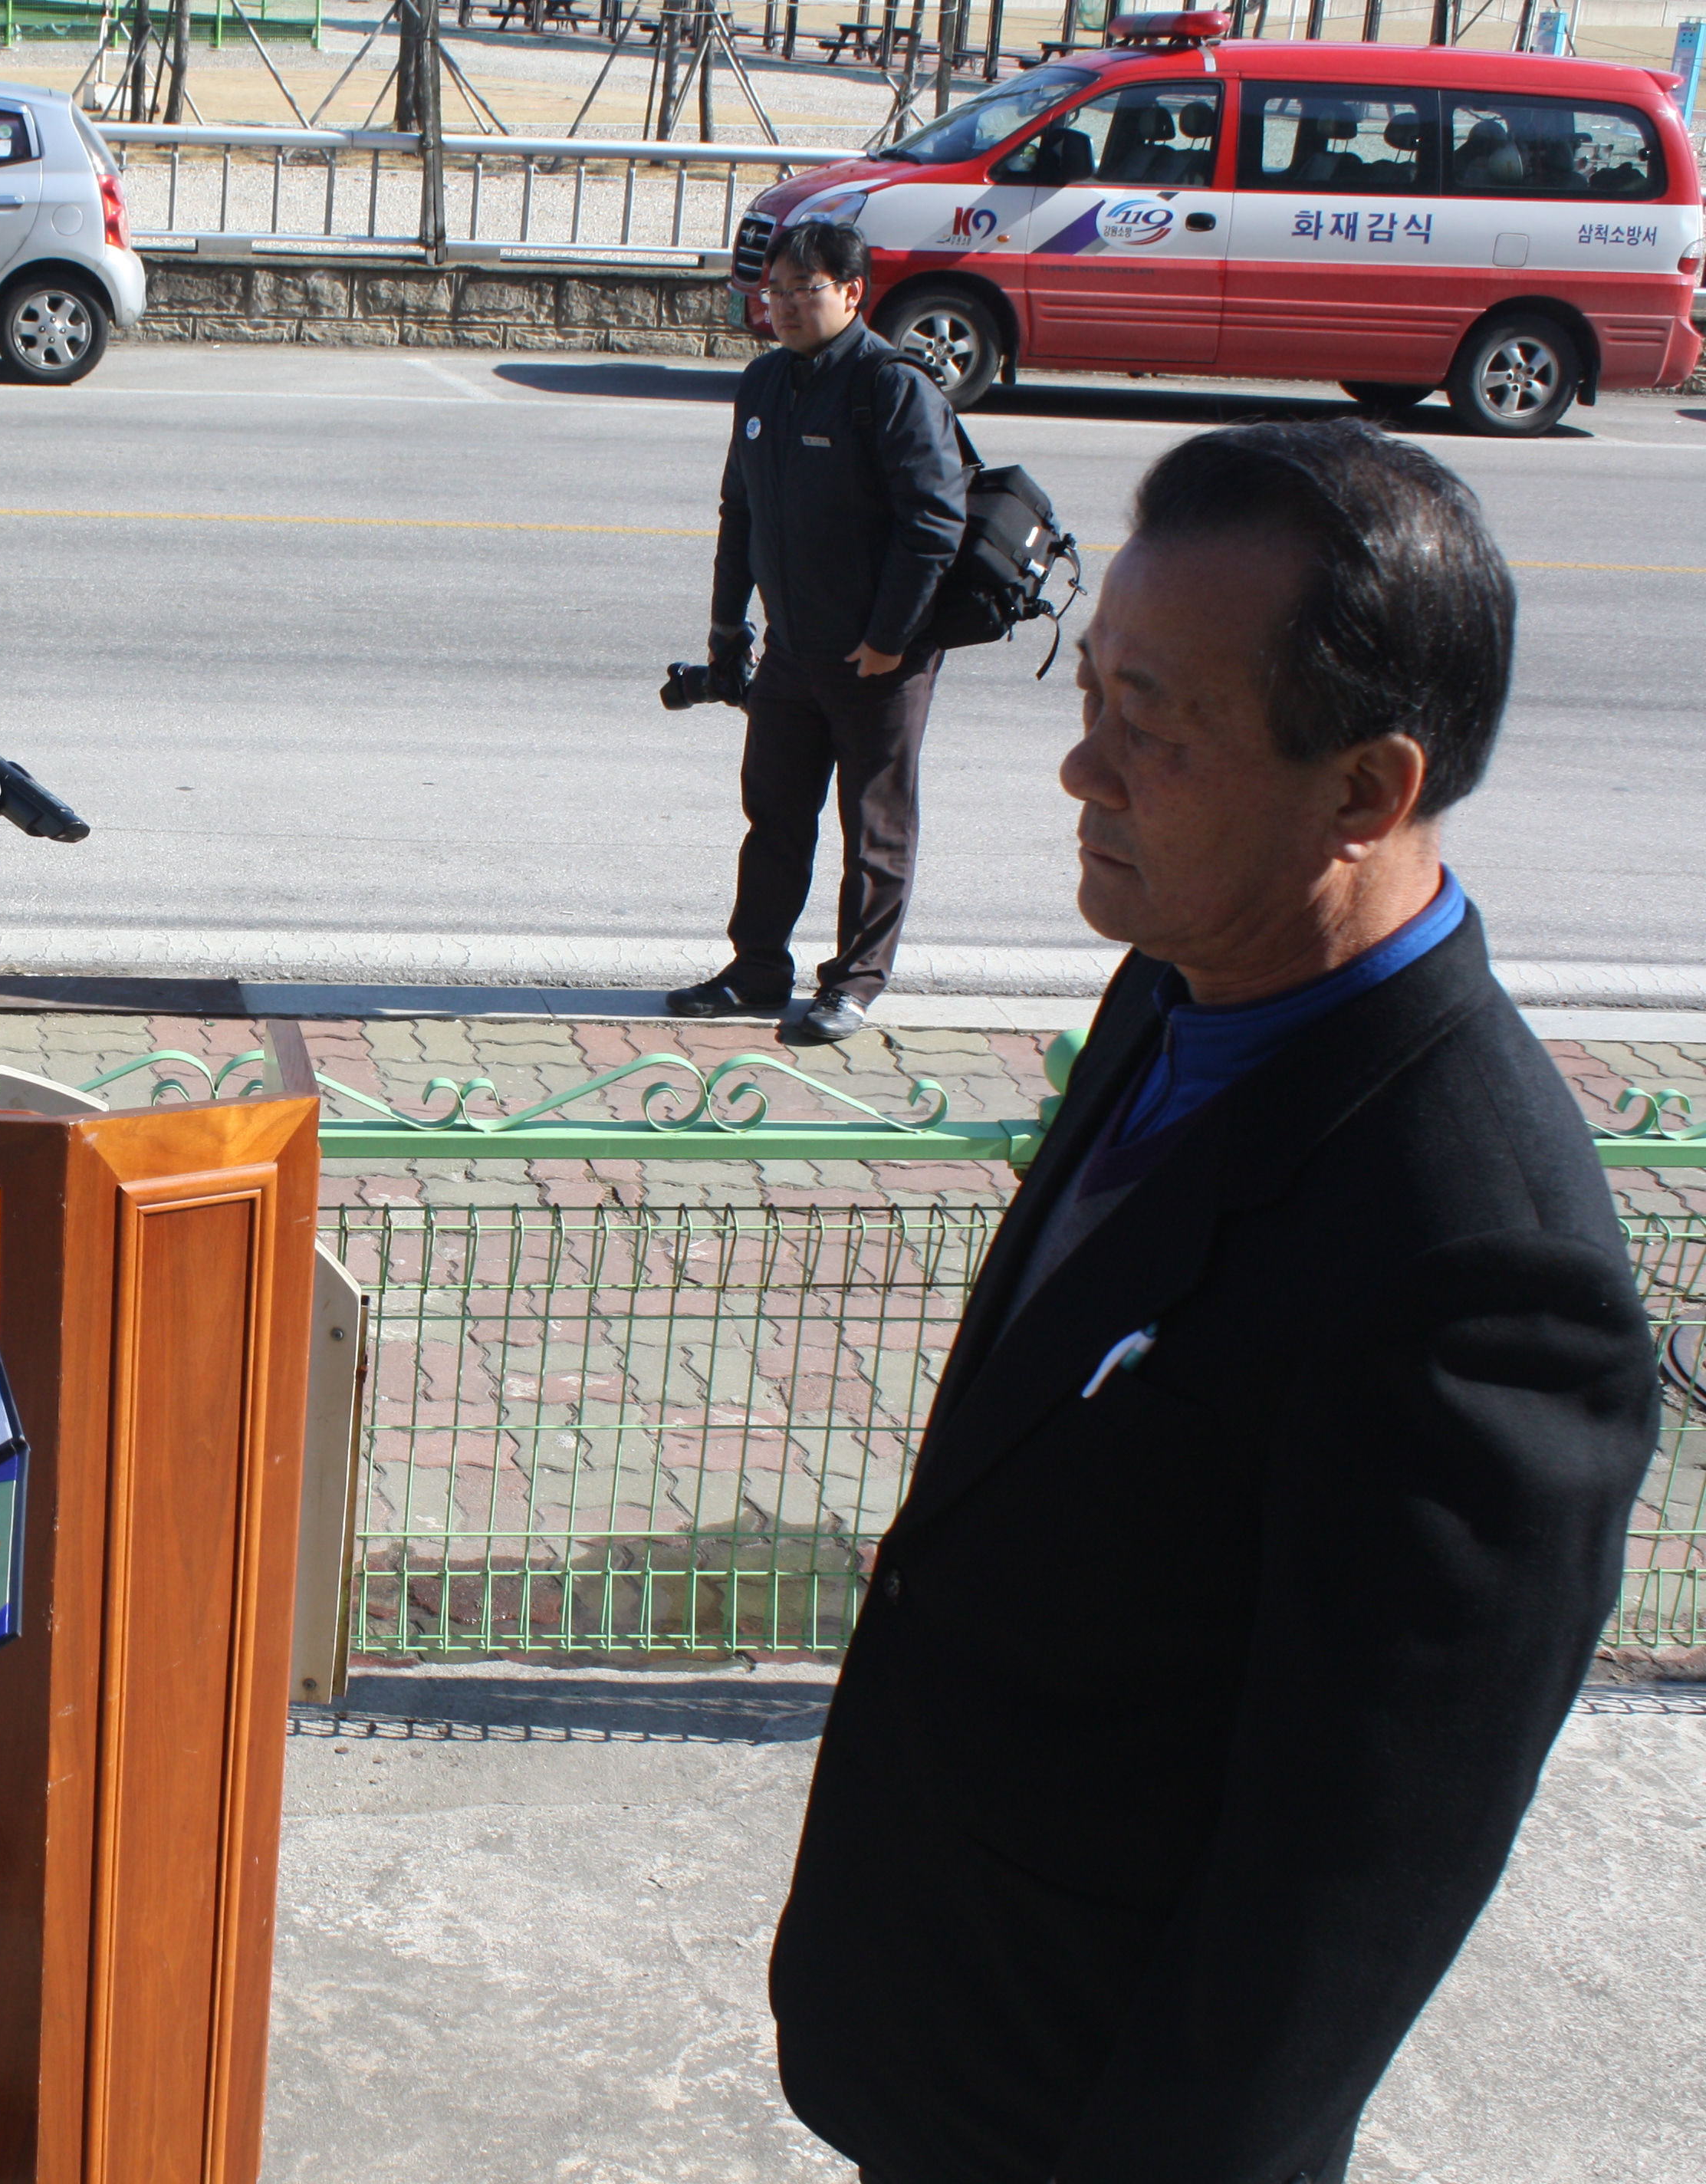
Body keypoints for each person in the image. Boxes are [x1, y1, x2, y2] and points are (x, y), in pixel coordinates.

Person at [768, 422, 1659, 2182]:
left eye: (1155, 725)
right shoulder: (1185, 981)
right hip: (938, 2041)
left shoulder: (1484, 1274)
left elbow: (1334, 1914)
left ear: (1364, 791)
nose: (1081, 767)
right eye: (1090, 691)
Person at [671, 216, 969, 1047]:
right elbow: (740, 512)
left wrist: (889, 638)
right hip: (790, 651)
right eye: (776, 291)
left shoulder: (892, 386)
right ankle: (757, 969)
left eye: (806, 289)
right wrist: (727, 629)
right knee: (774, 816)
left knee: (874, 828)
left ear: (852, 292)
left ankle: (854, 984)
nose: (787, 306)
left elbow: (933, 526)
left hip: (878, 658)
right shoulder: (765, 382)